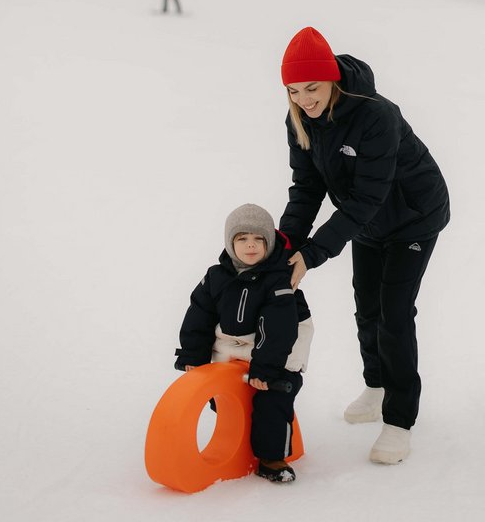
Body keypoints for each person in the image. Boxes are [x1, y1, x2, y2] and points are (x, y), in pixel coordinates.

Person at [278, 27, 450, 465]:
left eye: (312, 88)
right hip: (367, 224)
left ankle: (399, 419)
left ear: (332, 79)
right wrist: (286, 247)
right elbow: (306, 188)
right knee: (365, 306)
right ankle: (375, 386)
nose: (304, 99)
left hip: (413, 217)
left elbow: (367, 198)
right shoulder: (299, 119)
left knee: (393, 312)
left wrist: (313, 255)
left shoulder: (377, 116)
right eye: (294, 91)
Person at [174, 203, 313, 483]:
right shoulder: (216, 276)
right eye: (242, 239)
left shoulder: (279, 280)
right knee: (225, 398)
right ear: (230, 243)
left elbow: (278, 330)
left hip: (282, 348)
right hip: (234, 344)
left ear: (269, 243)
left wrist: (267, 369)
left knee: (272, 399)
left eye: (258, 239)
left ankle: (272, 457)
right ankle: (237, 436)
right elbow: (198, 315)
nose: (251, 246)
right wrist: (193, 355)